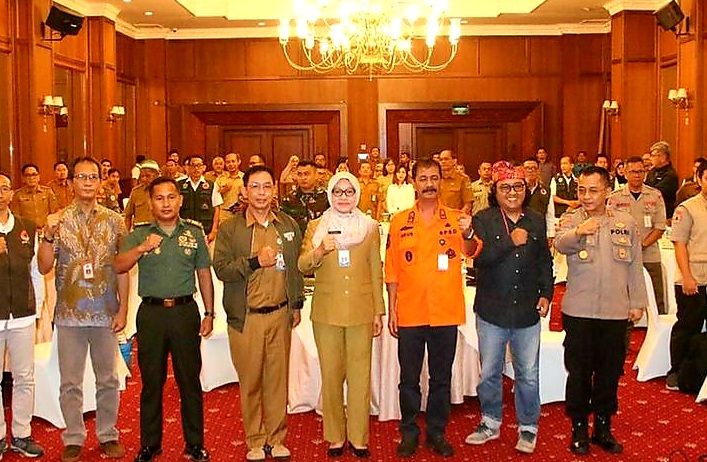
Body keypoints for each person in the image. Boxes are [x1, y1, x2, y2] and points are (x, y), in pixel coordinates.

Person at [385, 158, 480, 458]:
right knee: (409, 379)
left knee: (441, 379)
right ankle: (409, 432)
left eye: (434, 178)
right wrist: (392, 309)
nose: (429, 184)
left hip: (444, 312)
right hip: (410, 311)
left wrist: (468, 232)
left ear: (441, 181)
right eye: (423, 178)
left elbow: (471, 251)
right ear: (414, 183)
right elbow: (391, 269)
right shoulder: (399, 221)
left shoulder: (456, 218)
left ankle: (437, 432)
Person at [114, 177, 214, 462]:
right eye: (159, 198)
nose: (166, 203)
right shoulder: (139, 234)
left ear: (180, 200)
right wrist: (141, 248)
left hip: (185, 312)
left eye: (171, 197)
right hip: (152, 314)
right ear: (150, 202)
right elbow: (118, 266)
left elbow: (203, 273)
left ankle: (195, 444)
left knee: (189, 381)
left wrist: (209, 313)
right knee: (151, 382)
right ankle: (150, 444)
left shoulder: (194, 232)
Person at [37, 157, 128, 462]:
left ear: (100, 181)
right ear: (71, 182)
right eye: (81, 177)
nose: (88, 182)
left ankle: (108, 434)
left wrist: (123, 310)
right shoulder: (58, 220)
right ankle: (74, 437)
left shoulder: (115, 220)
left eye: (93, 177)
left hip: (105, 312)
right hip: (70, 315)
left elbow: (122, 268)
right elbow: (44, 266)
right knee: (70, 382)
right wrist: (48, 235)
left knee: (108, 379)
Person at [213, 165, 304, 462]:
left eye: (267, 187)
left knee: (277, 381)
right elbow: (222, 269)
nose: (261, 193)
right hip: (247, 317)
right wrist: (254, 262)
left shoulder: (288, 225)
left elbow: (295, 268)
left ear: (274, 190)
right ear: (244, 191)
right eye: (255, 187)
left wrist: (296, 304)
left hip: (279, 314)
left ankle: (277, 439)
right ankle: (255, 439)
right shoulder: (231, 228)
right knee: (250, 381)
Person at [555, 166, 646, 455]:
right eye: (582, 190)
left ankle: (603, 427)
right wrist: (579, 231)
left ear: (607, 191)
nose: (586, 196)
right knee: (579, 373)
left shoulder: (625, 222)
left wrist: (637, 301)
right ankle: (579, 427)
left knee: (609, 373)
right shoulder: (572, 219)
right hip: (579, 311)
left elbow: (635, 265)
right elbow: (559, 244)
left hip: (614, 312)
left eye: (593, 190)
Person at [466, 160, 553, 454]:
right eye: (505, 187)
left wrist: (547, 293)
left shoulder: (536, 219)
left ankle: (528, 427)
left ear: (526, 189)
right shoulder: (483, 219)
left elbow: (544, 261)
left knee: (528, 373)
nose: (512, 192)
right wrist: (509, 242)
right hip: (491, 310)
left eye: (518, 186)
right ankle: (490, 422)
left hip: (527, 309)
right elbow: (478, 260)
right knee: (489, 372)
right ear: (495, 191)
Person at [298, 171, 384, 458]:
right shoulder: (317, 226)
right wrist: (320, 250)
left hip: (361, 311)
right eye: (338, 192)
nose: (343, 197)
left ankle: (359, 438)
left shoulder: (370, 227)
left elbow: (376, 270)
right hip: (327, 313)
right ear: (330, 195)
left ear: (356, 195)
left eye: (349, 192)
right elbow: (302, 265)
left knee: (360, 377)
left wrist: (378, 311)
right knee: (331, 375)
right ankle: (335, 436)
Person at [0, 171, 45, 458]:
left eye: (4, 188)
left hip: (23, 315)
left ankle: (22, 434)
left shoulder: (26, 227)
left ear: (11, 193)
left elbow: (36, 272)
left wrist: (36, 308)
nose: (0, 194)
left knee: (25, 377)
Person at [666, 161, 707, 391]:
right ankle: (676, 371)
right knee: (688, 326)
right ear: (699, 179)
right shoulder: (687, 208)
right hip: (693, 277)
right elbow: (679, 244)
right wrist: (688, 277)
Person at [607, 156, 667, 314]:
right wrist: (629, 247)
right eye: (633, 172)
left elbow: (660, 226)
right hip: (623, 256)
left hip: (650, 254)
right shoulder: (615, 197)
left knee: (656, 299)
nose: (637, 175)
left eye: (640, 171)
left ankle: (658, 325)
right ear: (625, 173)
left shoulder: (655, 195)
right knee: (622, 298)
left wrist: (642, 245)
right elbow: (610, 226)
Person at [176, 155, 223, 244]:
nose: (196, 168)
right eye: (193, 165)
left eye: (199, 165)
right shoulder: (179, 185)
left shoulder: (212, 185)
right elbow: (175, 208)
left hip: (205, 231)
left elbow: (216, 209)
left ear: (204, 168)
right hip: (184, 231)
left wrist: (214, 230)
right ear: (188, 167)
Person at [280, 159, 329, 233]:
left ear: (316, 175)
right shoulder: (288, 200)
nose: (303, 178)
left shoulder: (326, 198)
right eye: (299, 174)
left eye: (307, 174)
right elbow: (283, 225)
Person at [10, 163, 59, 228]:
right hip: (27, 230)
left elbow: (54, 213)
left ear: (38, 177)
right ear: (23, 178)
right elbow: (16, 218)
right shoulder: (17, 195)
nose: (31, 178)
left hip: (46, 229)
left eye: (34, 174)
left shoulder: (48, 192)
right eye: (28, 175)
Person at [522, 158, 556, 243]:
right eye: (527, 168)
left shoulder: (545, 190)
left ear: (538, 171)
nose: (531, 170)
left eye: (534, 168)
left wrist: (550, 234)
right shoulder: (518, 189)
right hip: (521, 231)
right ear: (523, 170)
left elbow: (550, 214)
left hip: (539, 231)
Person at [645, 141, 679, 219]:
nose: (650, 159)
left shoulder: (670, 175)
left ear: (663, 157)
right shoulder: (652, 172)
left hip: (664, 215)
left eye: (653, 156)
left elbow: (656, 194)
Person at [125, 160, 161, 231]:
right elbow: (128, 216)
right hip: (139, 232)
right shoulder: (136, 192)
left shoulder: (164, 191)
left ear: (157, 175)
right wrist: (126, 235)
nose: (144, 179)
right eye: (142, 176)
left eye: (148, 176)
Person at [438, 149, 473, 214]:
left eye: (446, 159)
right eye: (441, 159)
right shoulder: (436, 178)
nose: (443, 162)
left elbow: (468, 204)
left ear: (454, 161)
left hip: (455, 217)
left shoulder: (463, 179)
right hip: (437, 217)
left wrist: (459, 216)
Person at [216, 152, 245, 223]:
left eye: (233, 161)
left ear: (239, 162)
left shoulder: (245, 178)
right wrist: (223, 190)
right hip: (224, 215)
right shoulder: (220, 179)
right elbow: (214, 198)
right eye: (228, 162)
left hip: (240, 214)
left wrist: (244, 205)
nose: (231, 164)